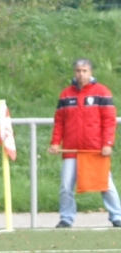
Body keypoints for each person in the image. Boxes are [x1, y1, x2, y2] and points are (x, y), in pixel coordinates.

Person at [48, 58, 121, 228]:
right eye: (78, 71)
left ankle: (117, 215)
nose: (81, 74)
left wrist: (107, 143)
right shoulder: (66, 94)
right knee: (66, 185)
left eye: (85, 71)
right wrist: (55, 142)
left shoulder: (102, 92)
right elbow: (59, 122)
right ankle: (66, 217)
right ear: (74, 72)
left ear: (91, 72)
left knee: (105, 184)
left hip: (95, 149)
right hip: (71, 149)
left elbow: (109, 120)